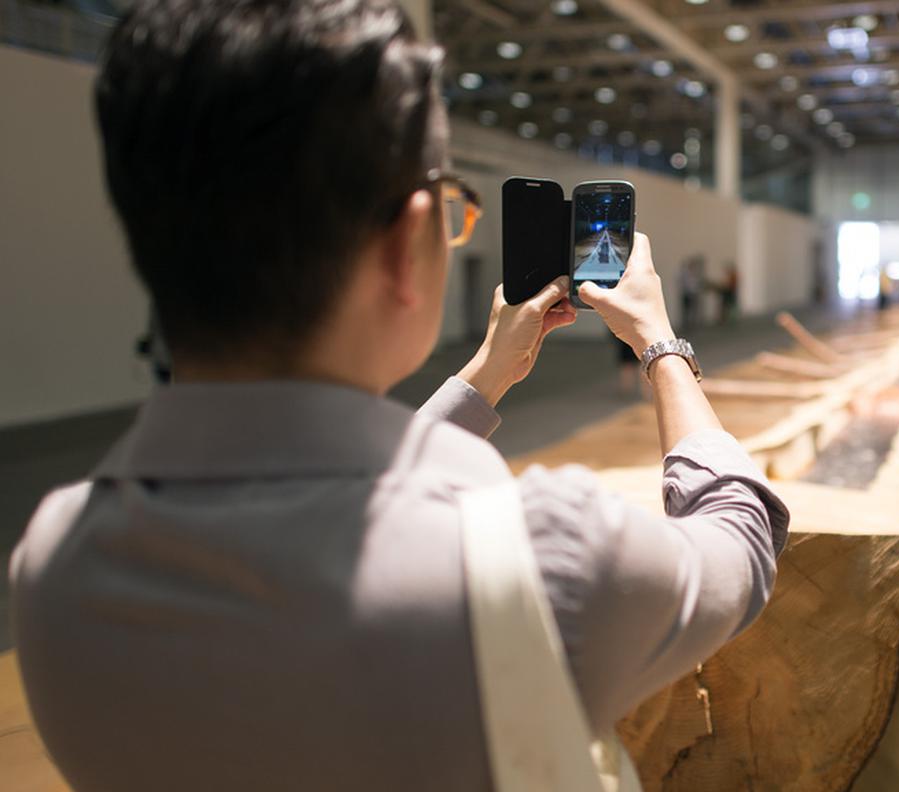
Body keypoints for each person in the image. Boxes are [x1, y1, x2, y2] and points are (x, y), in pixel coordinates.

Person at [8, 2, 789, 791]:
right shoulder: (539, 564)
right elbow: (739, 539)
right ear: (407, 241)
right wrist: (660, 344)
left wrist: (485, 375)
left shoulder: (56, 564)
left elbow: (328, 505)